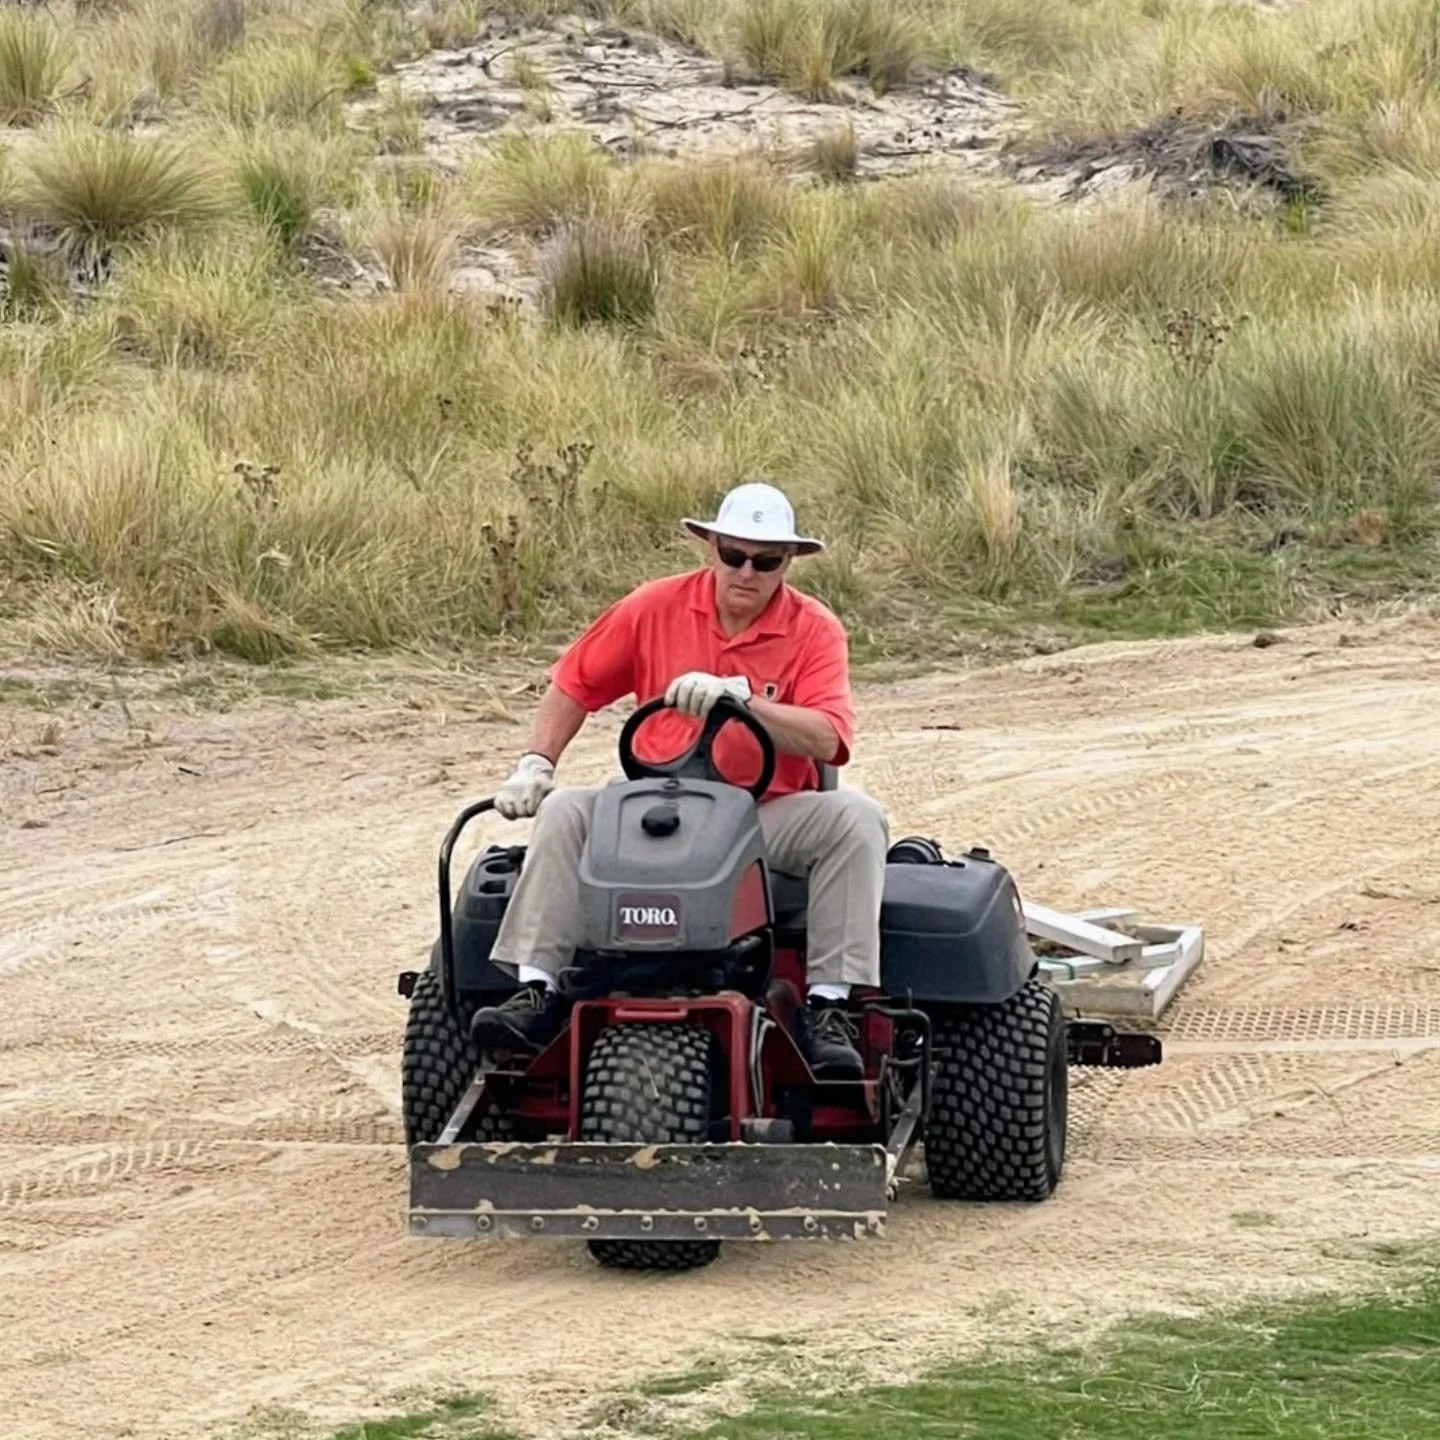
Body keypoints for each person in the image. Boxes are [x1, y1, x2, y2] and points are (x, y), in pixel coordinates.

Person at [469, 481, 889, 1079]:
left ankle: (829, 1006)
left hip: (762, 816)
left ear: (788, 563)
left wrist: (745, 705)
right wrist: (537, 762)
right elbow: (575, 682)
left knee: (857, 820)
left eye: (765, 561)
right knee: (564, 813)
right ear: (711, 546)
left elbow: (829, 737)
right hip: (657, 808)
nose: (747, 572)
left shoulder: (815, 630)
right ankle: (536, 990)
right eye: (733, 555)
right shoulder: (652, 607)